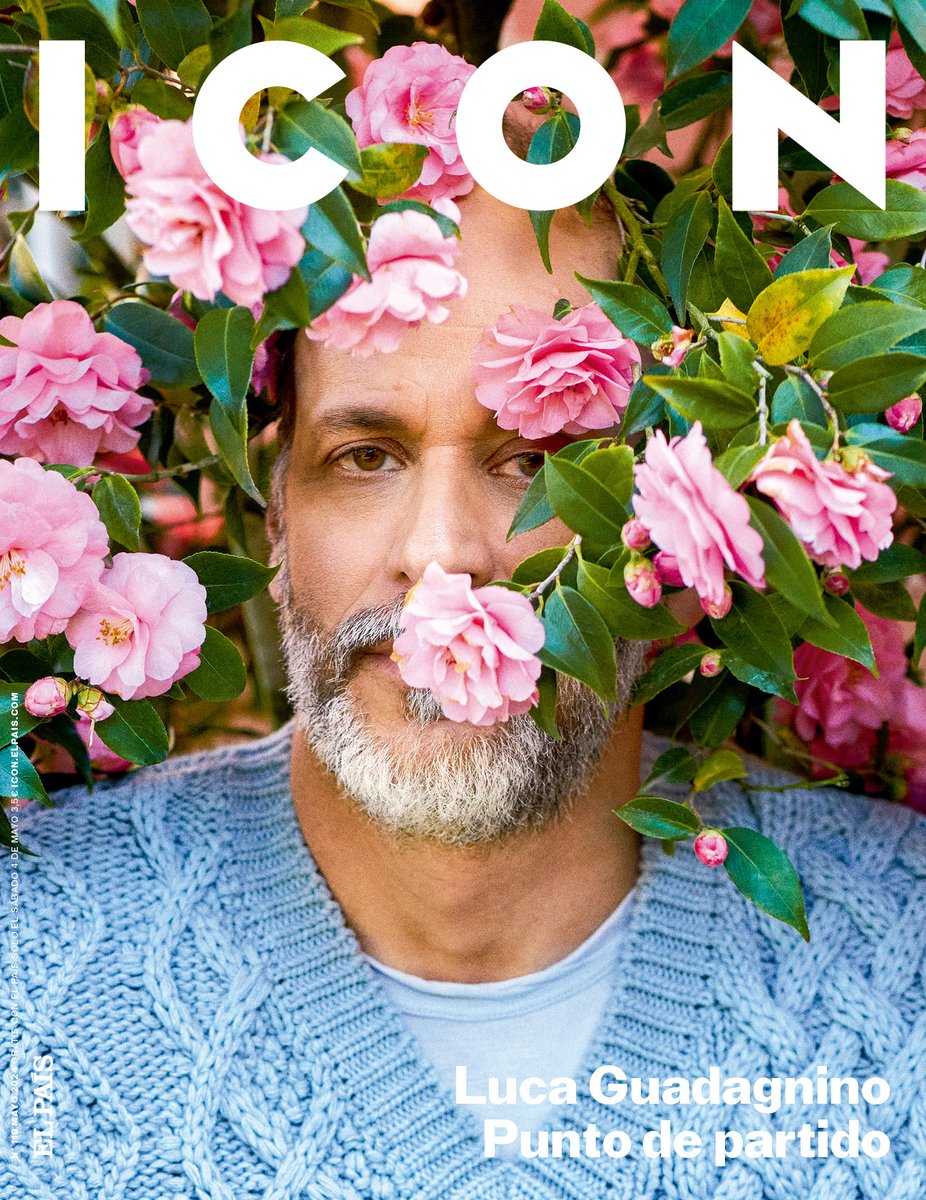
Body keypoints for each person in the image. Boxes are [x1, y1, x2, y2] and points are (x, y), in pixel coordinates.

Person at [4, 180, 926, 1200]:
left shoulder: (906, 965)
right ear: (277, 516)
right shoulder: (27, 960)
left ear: (682, 520)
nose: (440, 556)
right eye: (364, 457)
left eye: (534, 460)